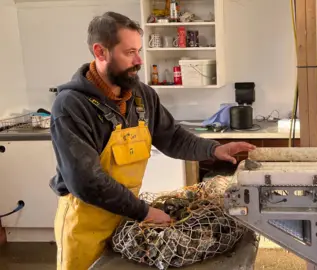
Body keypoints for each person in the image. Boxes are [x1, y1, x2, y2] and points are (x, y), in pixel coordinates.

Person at [49, 11, 256, 270]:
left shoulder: (141, 95)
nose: (139, 61)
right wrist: (144, 212)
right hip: (85, 223)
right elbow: (86, 182)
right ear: (100, 52)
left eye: (139, 51)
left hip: (127, 216)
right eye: (129, 52)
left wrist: (214, 149)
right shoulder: (71, 106)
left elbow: (172, 138)